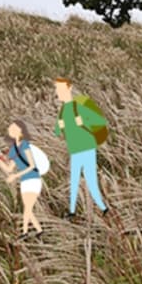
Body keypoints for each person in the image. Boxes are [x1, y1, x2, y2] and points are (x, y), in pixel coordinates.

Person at [53, 78, 110, 217]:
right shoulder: (62, 111)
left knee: (90, 179)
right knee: (74, 181)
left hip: (87, 148)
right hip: (75, 150)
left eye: (60, 89)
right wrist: (60, 127)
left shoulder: (78, 106)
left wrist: (83, 121)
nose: (57, 92)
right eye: (56, 89)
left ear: (69, 88)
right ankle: (72, 211)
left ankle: (103, 208)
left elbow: (99, 121)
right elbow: (57, 132)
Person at [0, 121, 44, 236]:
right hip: (24, 181)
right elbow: (9, 169)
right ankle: (38, 231)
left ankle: (25, 232)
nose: (10, 129)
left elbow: (31, 165)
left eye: (13, 128)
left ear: (21, 131)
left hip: (33, 178)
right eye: (10, 127)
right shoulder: (13, 150)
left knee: (27, 207)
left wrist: (15, 176)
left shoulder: (25, 145)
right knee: (27, 208)